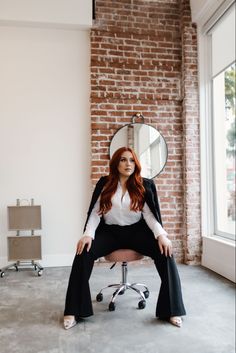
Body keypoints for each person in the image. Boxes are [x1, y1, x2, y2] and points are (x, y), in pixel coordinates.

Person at [63, 147, 186, 330]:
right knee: (83, 252)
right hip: (110, 233)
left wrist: (161, 236)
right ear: (115, 163)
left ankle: (172, 310)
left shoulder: (143, 185)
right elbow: (96, 213)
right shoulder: (105, 183)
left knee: (165, 252)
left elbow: (150, 215)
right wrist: (87, 235)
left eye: (131, 160)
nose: (128, 164)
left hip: (136, 232)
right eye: (123, 160)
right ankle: (72, 310)